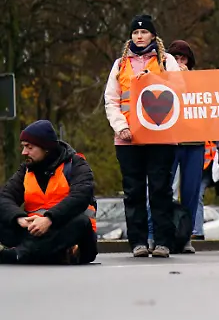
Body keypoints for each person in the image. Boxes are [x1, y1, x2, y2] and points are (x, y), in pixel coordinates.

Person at [103, 14, 180, 257]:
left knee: (160, 189)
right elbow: (111, 100)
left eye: (144, 32)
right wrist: (120, 127)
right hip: (128, 138)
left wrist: (152, 78)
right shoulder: (120, 64)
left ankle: (163, 241)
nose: (139, 36)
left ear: (153, 35)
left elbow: (180, 90)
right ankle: (137, 241)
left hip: (161, 136)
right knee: (133, 191)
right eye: (135, 33)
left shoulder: (166, 61)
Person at [0, 121, 98, 265]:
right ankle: (44, 254)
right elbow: (4, 197)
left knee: (82, 222)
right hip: (34, 233)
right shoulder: (26, 169)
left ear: (46, 148)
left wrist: (49, 220)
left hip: (70, 235)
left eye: (29, 147)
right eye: (23, 147)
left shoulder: (76, 164)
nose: (24, 152)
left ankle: (20, 254)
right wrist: (19, 218)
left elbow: (80, 197)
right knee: (5, 216)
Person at [166, 40, 206, 247]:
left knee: (191, 191)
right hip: (170, 141)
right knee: (163, 188)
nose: (180, 62)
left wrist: (188, 79)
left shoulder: (198, 81)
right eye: (176, 58)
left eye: (183, 59)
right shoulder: (162, 79)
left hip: (194, 142)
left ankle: (186, 236)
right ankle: (162, 233)